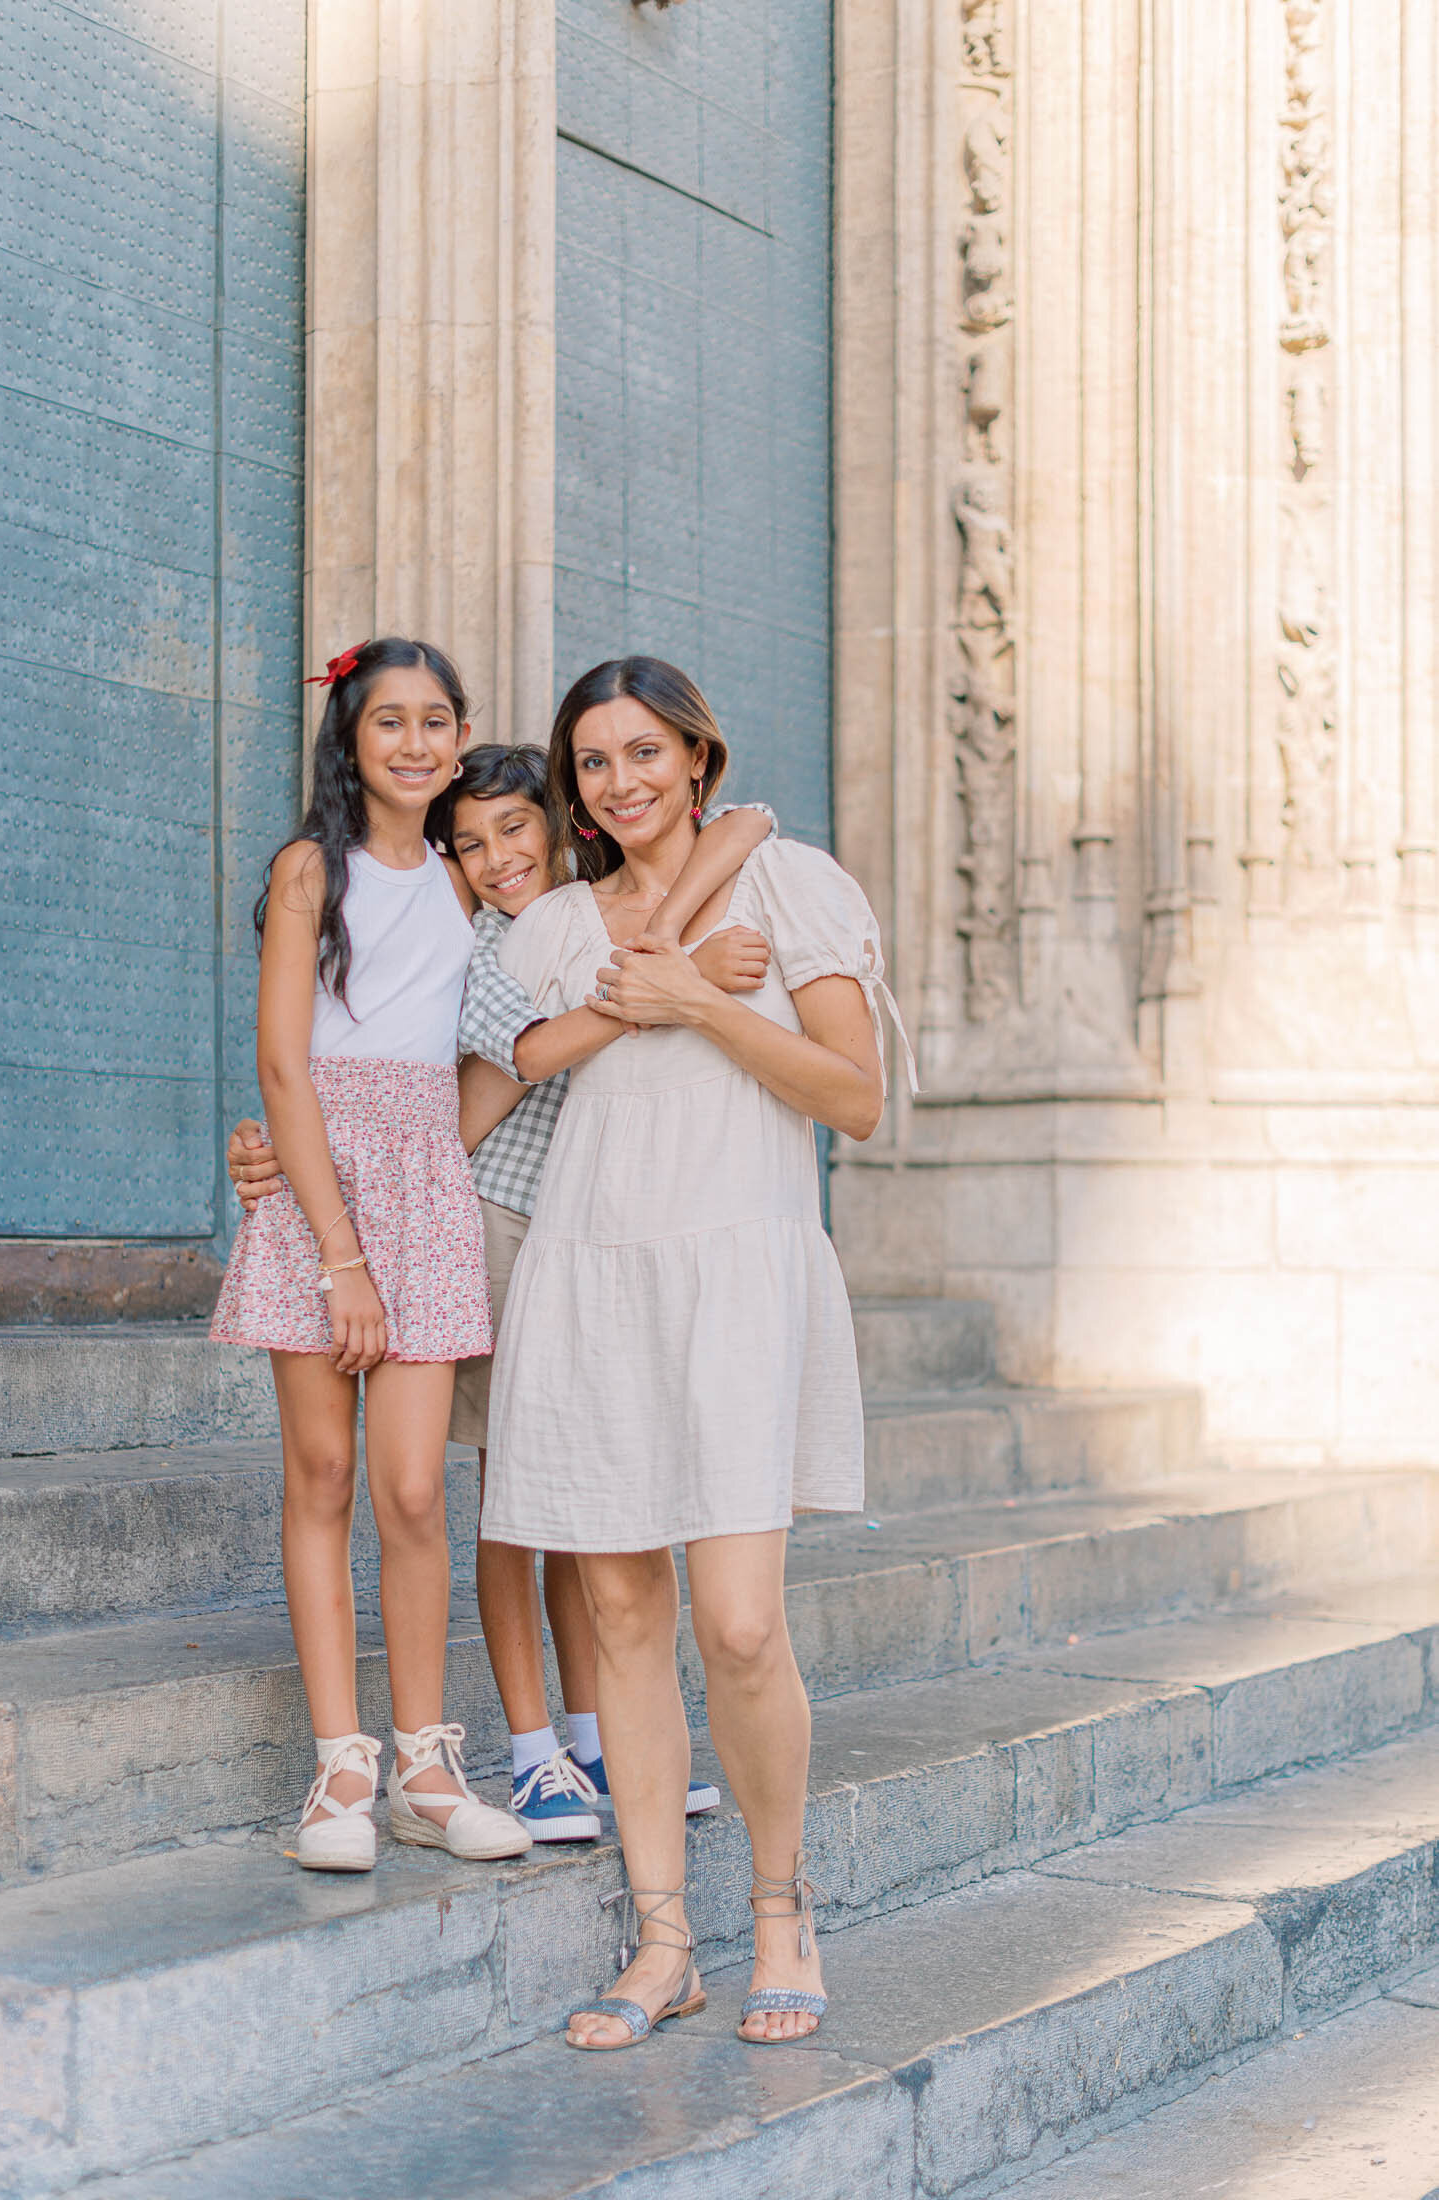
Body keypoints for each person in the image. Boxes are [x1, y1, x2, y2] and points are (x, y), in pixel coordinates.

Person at [227, 742, 775, 1841]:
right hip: (483, 1220)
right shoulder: (477, 942)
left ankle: (596, 1738)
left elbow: (748, 817)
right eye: (468, 843)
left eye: (514, 829)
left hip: (604, 1218)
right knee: (507, 1493)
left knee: (591, 1495)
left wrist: (668, 954)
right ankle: (528, 1751)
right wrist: (674, 986)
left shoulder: (601, 907)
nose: (493, 855)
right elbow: (498, 1068)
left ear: (561, 823)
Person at [481, 656, 902, 2050]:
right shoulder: (551, 930)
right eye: (594, 761)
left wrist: (711, 1004)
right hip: (592, 1283)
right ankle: (663, 1940)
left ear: (697, 756)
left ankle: (781, 1910)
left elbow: (855, 1096)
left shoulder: (791, 889)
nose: (621, 780)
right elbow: (488, 1089)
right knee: (620, 1624)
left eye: (644, 751)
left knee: (736, 1619)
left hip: (737, 1278)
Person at [209, 636, 528, 1874]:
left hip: (426, 1180)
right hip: (317, 1186)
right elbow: (284, 1064)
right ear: (350, 737)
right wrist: (337, 1251)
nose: (414, 743)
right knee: (325, 1472)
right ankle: (338, 1765)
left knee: (410, 1487)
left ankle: (424, 1766)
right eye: (388, 721)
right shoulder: (309, 871)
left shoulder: (466, 875)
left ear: (459, 738)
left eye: (435, 721)